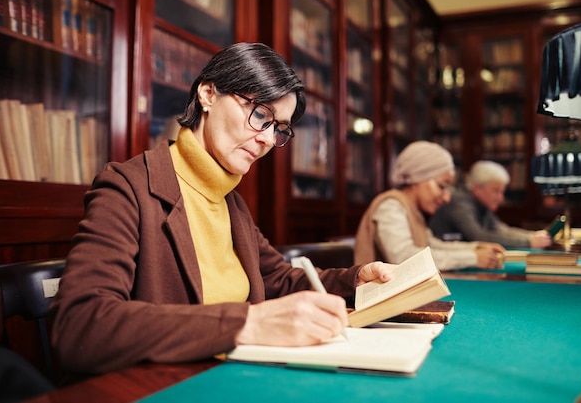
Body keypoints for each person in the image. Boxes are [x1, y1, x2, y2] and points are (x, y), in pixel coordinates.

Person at [50, 42, 394, 375]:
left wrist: (355, 279)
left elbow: (279, 279)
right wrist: (249, 322)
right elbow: (81, 324)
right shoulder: (128, 187)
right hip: (165, 385)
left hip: (234, 374)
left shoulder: (229, 200)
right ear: (208, 94)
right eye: (260, 114)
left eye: (278, 129)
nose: (266, 139)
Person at [354, 141, 505, 270]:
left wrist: (476, 248)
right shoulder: (390, 207)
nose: (446, 198)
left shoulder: (412, 211)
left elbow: (432, 245)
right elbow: (403, 258)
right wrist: (472, 258)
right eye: (442, 186)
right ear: (418, 177)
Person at [429, 160, 552, 249]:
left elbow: (501, 230)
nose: (501, 198)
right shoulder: (459, 201)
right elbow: (479, 237)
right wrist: (528, 242)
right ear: (477, 189)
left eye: (502, 192)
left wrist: (532, 236)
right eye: (496, 191)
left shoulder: (481, 203)